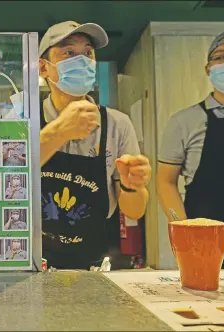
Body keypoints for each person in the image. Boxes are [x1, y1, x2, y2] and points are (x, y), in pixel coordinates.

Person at [38, 21, 151, 269]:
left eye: (87, 53)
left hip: (93, 264)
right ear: (43, 67)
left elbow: (134, 211)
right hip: (33, 261)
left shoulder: (117, 124)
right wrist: (58, 131)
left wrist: (133, 186)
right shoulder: (25, 120)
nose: (81, 61)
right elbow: (8, 174)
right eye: (68, 53)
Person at [157, 28, 224, 268]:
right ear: (208, 69)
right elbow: (165, 181)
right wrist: (182, 228)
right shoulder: (183, 121)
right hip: (206, 244)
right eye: (219, 57)